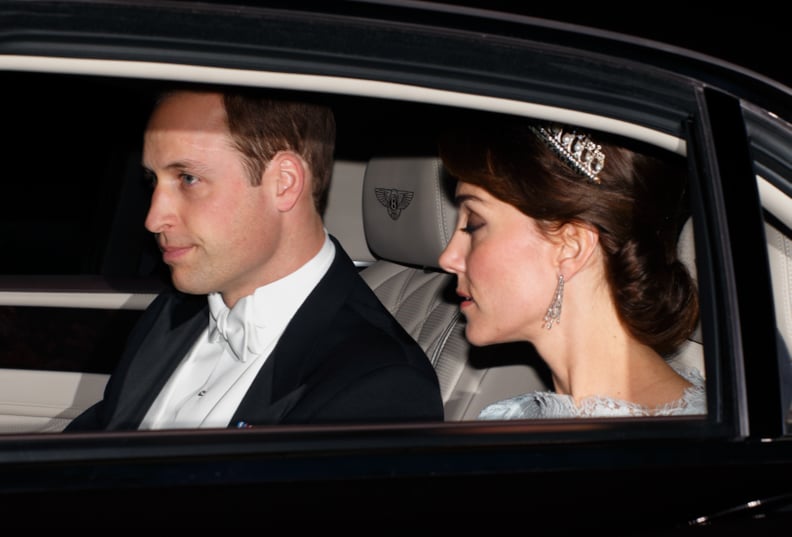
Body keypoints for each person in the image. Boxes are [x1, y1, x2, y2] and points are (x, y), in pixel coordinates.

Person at [65, 87, 444, 431]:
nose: (153, 219)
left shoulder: (378, 385)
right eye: (154, 181)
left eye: (187, 179)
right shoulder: (174, 311)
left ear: (284, 183)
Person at [437, 118, 706, 419]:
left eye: (474, 224)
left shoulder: (674, 453)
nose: (448, 258)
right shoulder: (512, 417)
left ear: (571, 245)